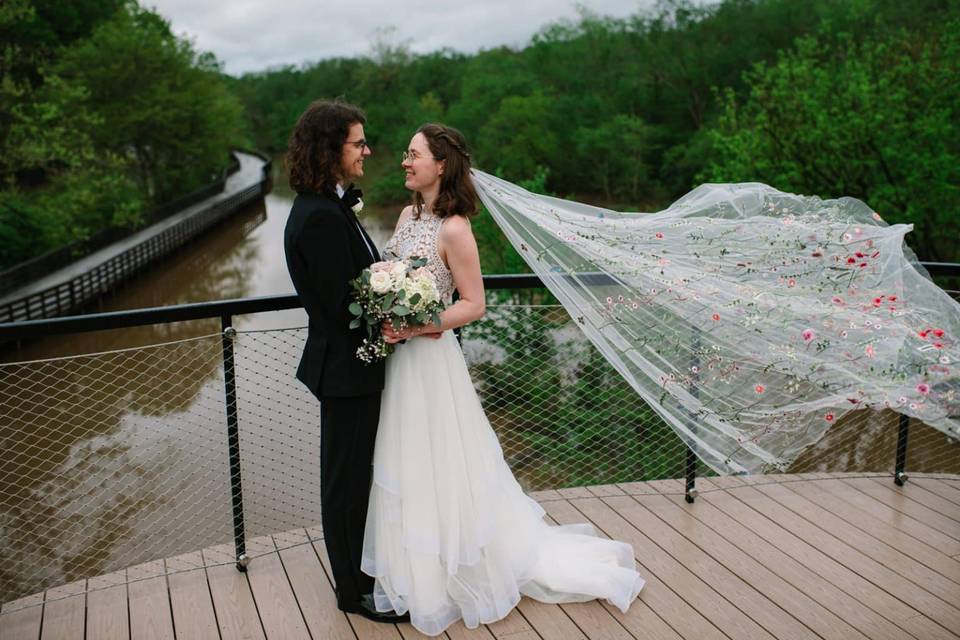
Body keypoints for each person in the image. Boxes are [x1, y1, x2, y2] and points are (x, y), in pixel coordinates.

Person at [361, 123, 644, 636]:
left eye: (413, 155)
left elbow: (474, 304)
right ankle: (414, 570)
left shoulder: (455, 228)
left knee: (442, 457)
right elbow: (391, 278)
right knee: (406, 457)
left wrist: (421, 324)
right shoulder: (406, 216)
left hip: (430, 359)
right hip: (399, 361)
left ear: (440, 165)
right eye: (406, 154)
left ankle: (455, 569)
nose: (404, 162)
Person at [282, 99, 408, 623]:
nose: (368, 151)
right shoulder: (318, 219)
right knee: (345, 484)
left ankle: (363, 575)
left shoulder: (332, 207)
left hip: (353, 366)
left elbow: (358, 285)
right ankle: (352, 593)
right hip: (346, 371)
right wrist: (401, 312)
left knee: (356, 478)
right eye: (359, 143)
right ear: (331, 149)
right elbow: (342, 306)